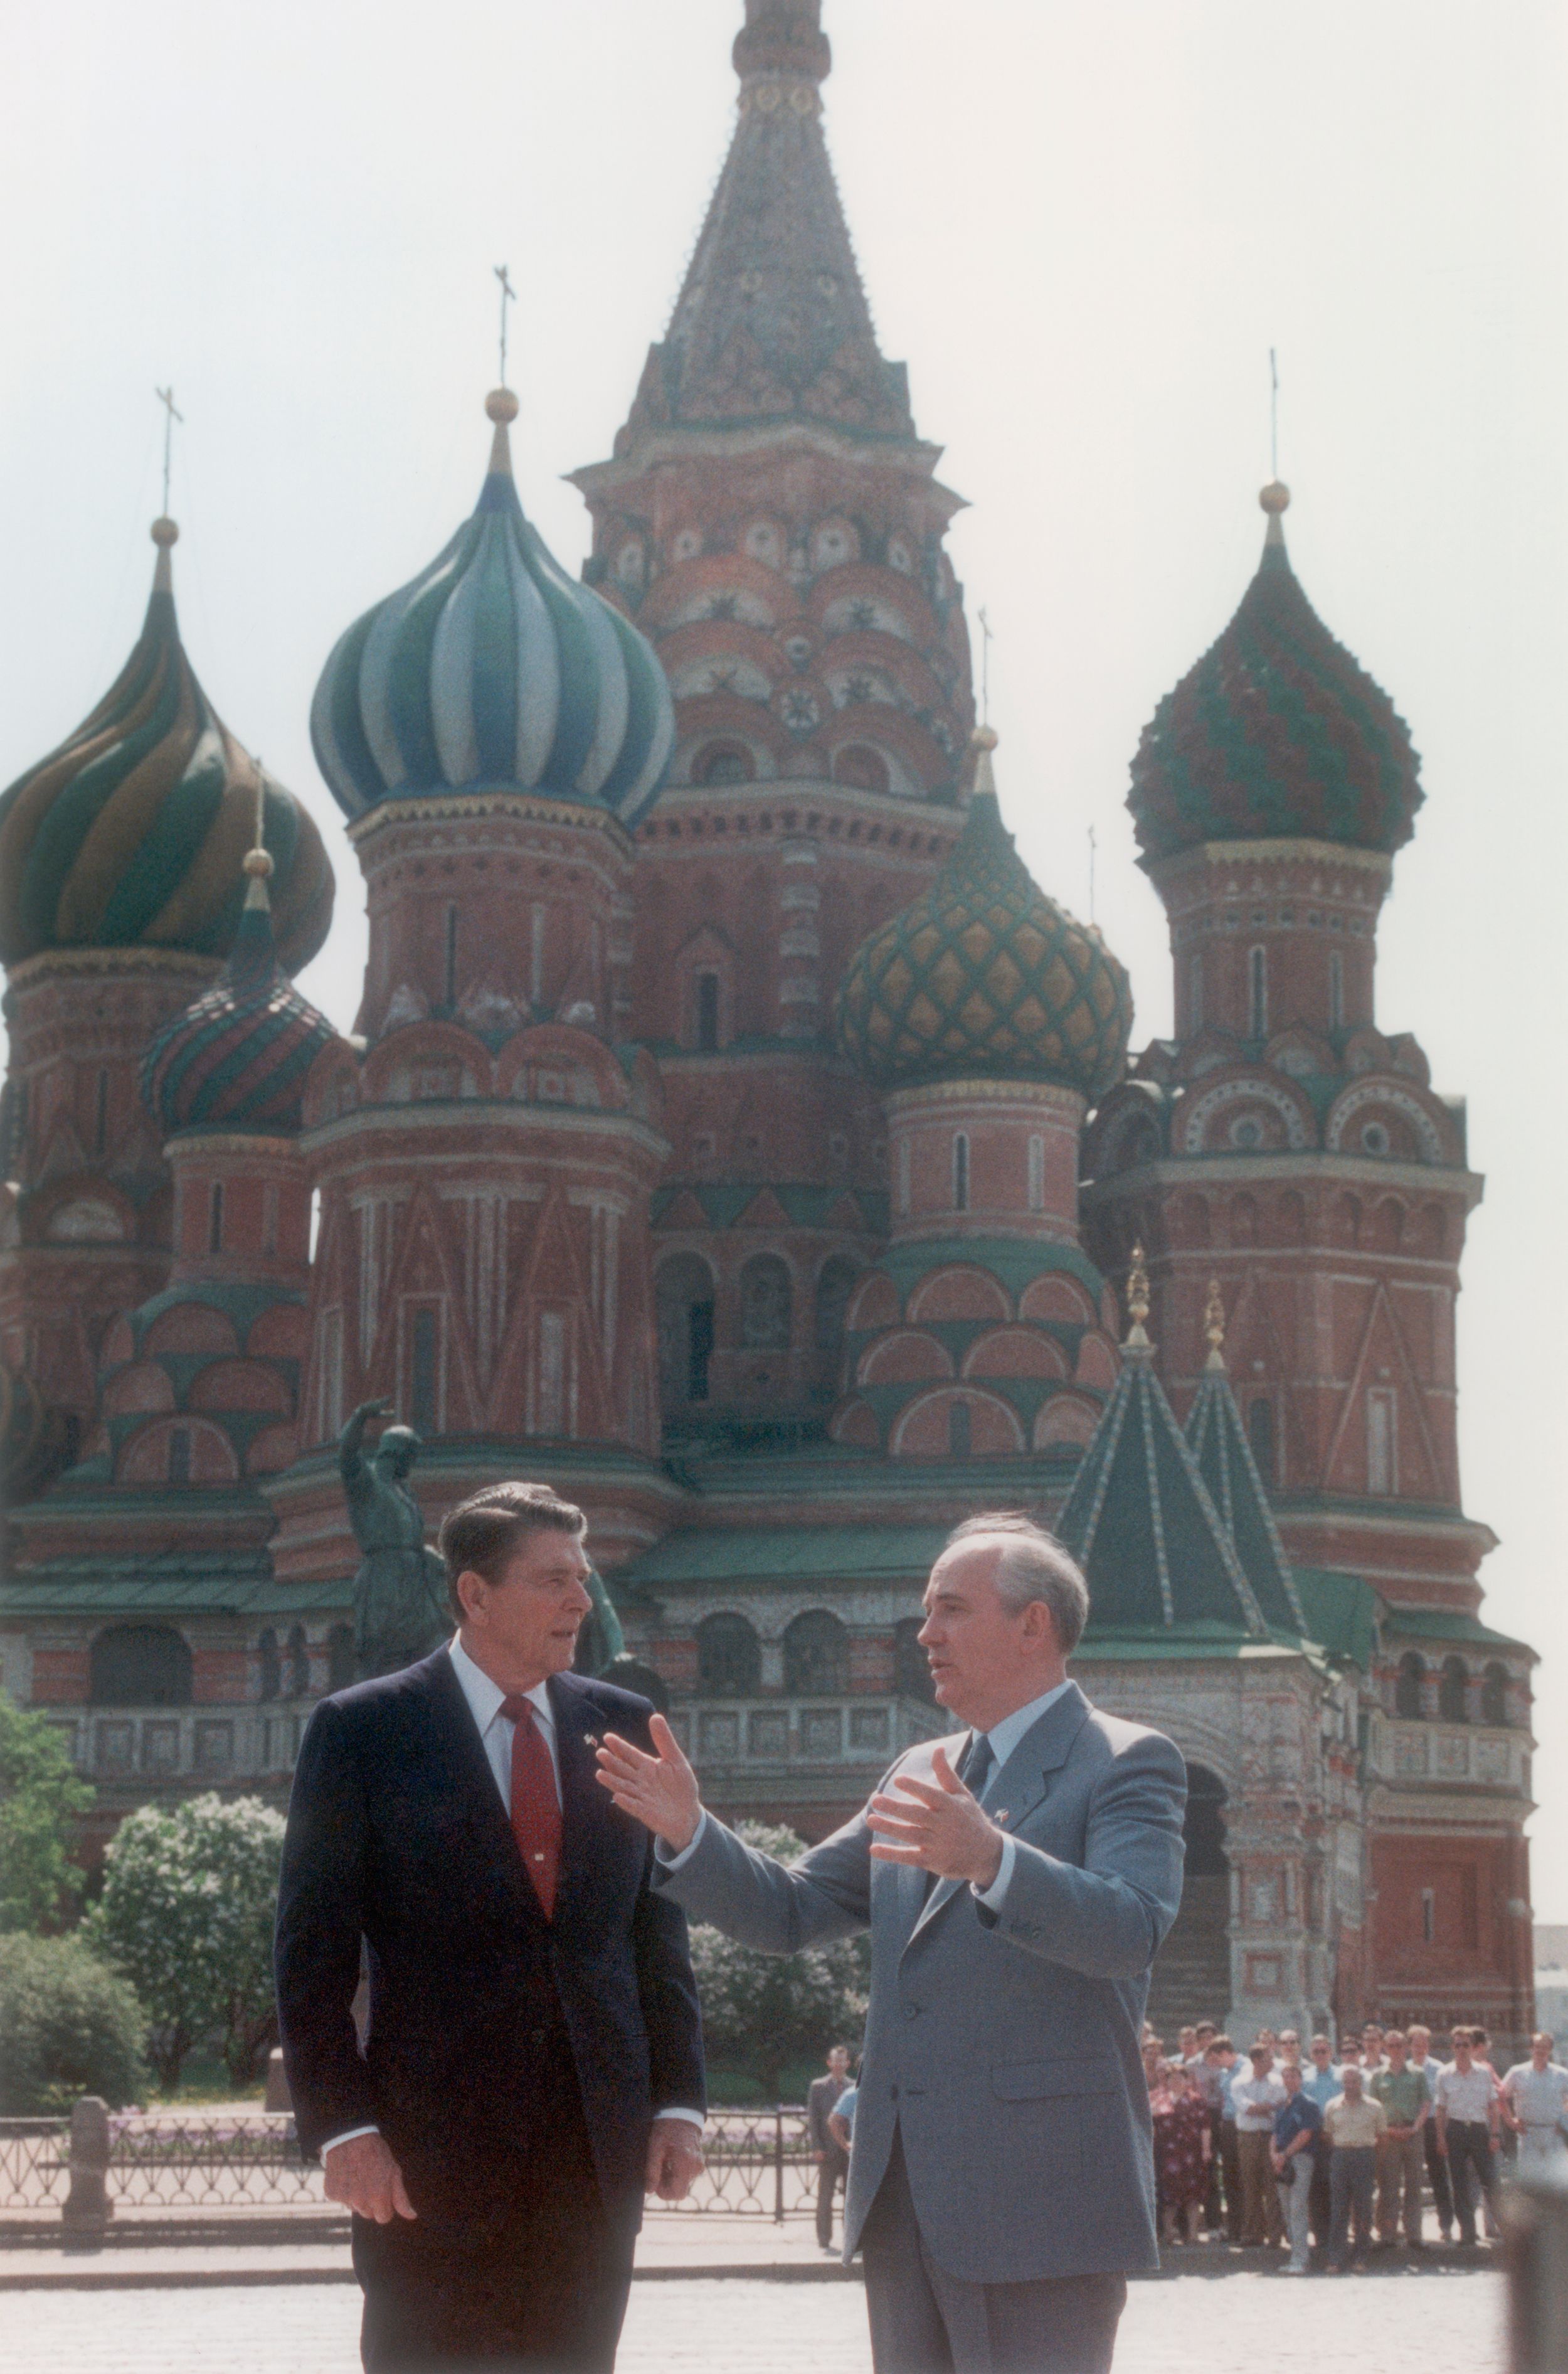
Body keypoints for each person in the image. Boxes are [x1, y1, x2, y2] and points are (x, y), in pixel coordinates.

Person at [596, 1511, 1187, 2374]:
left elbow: (1131, 1930)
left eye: (951, 1609)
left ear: (1035, 1625)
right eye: (926, 1610)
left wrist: (991, 1859)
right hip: (904, 2193)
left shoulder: (1130, 1760)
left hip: (1039, 2200)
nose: (926, 1634)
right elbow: (792, 1911)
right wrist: (692, 1832)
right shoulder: (919, 1770)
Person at [275, 1482, 707, 2373]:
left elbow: (656, 1934)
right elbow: (311, 1954)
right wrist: (343, 2128)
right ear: (475, 1595)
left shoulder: (624, 1727)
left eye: (582, 1579)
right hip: (424, 2159)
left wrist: (677, 2103)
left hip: (595, 2153)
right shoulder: (362, 1730)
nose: (581, 1601)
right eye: (553, 1580)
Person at [1434, 2027, 1501, 2248]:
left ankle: (1505, 2231)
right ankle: (1468, 2233)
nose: (1462, 2049)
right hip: (1455, 2130)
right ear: (1452, 2047)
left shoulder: (1483, 2073)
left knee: (1490, 2181)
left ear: (1473, 2048)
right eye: (1458, 2045)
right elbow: (1441, 2109)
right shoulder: (1444, 2074)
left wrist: (1495, 2134)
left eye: (1466, 2045)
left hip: (1480, 2130)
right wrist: (1441, 2138)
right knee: (1459, 2183)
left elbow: (1493, 2106)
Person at [1324, 2064, 1385, 2272]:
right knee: (1339, 2208)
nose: (1350, 2086)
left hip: (1365, 2156)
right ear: (1342, 2083)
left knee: (1363, 2209)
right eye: (1347, 2082)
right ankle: (1335, 2258)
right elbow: (1328, 2135)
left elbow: (1382, 2136)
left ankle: (1361, 2257)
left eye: (1355, 2082)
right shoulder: (1332, 2106)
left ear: (1361, 2083)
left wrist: (1370, 2157)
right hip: (1340, 2156)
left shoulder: (1375, 2107)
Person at [1370, 2030, 1429, 2247]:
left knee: (1414, 2185)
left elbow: (1426, 2104)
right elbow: (1374, 2108)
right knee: (1388, 2186)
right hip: (1388, 2136)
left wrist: (1414, 2128)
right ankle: (1388, 2234)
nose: (1396, 2050)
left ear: (1406, 2047)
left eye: (1400, 2045)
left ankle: (1414, 2235)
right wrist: (1388, 2130)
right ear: (1385, 2048)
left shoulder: (1418, 2074)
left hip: (1413, 2133)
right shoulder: (1378, 2076)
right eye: (1391, 2046)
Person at [1230, 2042, 1287, 2247]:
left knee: (1273, 2186)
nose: (1272, 2062)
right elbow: (1247, 2108)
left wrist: (1264, 2109)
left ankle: (1274, 2235)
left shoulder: (1278, 2082)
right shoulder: (1240, 2082)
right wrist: (1268, 2108)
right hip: (1249, 2137)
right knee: (1250, 2184)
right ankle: (1252, 2233)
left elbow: (1281, 2108)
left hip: (1271, 2138)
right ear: (1255, 2060)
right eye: (1267, 2059)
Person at [1269, 2061, 1321, 2274]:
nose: (1289, 2080)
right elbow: (1275, 2134)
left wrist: (1285, 2154)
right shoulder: (1283, 2105)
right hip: (1281, 2162)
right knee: (1287, 2209)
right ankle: (1294, 2257)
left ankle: (1302, 2258)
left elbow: (1306, 2133)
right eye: (1286, 2077)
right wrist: (1274, 2155)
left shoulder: (1308, 2104)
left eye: (1293, 2076)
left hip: (1299, 2159)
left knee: (1298, 2209)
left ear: (1300, 2079)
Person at [1153, 2062, 1210, 2245]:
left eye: (1180, 2078)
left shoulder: (1197, 2100)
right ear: (1167, 2081)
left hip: (1191, 2155)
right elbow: (1151, 2126)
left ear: (1187, 2080)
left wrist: (1206, 2150)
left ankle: (1193, 2235)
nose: (1176, 2081)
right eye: (1172, 2078)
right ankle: (1168, 2234)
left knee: (1193, 2196)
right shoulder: (1159, 2100)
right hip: (1167, 2155)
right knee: (1168, 2197)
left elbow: (1206, 2127)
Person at [1409, 2025, 1456, 2240]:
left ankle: (1446, 2225)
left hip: (1433, 2125)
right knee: (1412, 2178)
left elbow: (1445, 2101)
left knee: (1439, 2175)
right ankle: (1411, 2227)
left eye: (1424, 2044)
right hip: (1411, 2127)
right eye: (1416, 2044)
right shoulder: (1404, 2068)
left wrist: (1441, 2132)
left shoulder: (1439, 2069)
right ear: (1410, 2046)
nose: (1421, 2048)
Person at [808, 2045, 853, 2253]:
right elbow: (814, 2120)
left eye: (842, 2061)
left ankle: (851, 2239)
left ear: (848, 2064)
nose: (839, 2065)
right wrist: (817, 2146)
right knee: (825, 2197)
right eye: (835, 2060)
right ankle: (824, 2239)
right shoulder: (818, 2086)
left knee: (851, 2198)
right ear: (829, 2063)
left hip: (850, 2152)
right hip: (827, 2150)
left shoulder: (854, 2087)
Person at [1502, 2034, 1568, 2174]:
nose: (1540, 2050)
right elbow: (1501, 2096)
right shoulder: (1517, 2072)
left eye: (1545, 2047)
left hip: (1554, 2133)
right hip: (1528, 2133)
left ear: (1550, 2050)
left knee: (1555, 2178)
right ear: (1531, 2048)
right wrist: (1510, 2120)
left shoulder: (1562, 2074)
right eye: (1537, 2046)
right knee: (1530, 2178)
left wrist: (1564, 2121)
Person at [1300, 2036, 1342, 2255]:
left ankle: (1338, 2234)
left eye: (1324, 2051)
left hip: (1337, 2137)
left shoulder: (1342, 2076)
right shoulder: (1305, 2078)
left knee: (1337, 2187)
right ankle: (1321, 2235)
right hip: (1313, 2138)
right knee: (1315, 2188)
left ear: (1331, 2052)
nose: (1320, 2055)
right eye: (1316, 2052)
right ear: (1311, 2054)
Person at [1205, 2035, 1243, 2242]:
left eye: (1218, 2058)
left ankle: (1247, 2227)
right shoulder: (1223, 2074)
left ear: (1225, 2053)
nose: (1216, 2063)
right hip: (1227, 2125)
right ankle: (1235, 2228)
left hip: (1243, 2124)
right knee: (1230, 2178)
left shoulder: (1245, 2067)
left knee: (1243, 2177)